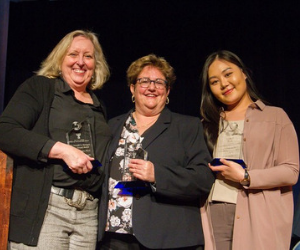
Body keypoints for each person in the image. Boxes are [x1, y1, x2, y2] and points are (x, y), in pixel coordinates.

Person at [0, 30, 112, 249]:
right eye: (73, 54)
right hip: (47, 209)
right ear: (60, 58)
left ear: (96, 64)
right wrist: (60, 150)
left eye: (88, 56)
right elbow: (6, 130)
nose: (80, 62)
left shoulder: (99, 105)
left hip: (88, 214)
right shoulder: (40, 87)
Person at [97, 54, 215, 249]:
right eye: (144, 81)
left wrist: (157, 175)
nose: (151, 87)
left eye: (159, 82)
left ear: (167, 91)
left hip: (167, 238)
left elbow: (204, 179)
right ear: (132, 88)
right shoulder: (112, 126)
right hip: (114, 237)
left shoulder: (186, 127)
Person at [199, 50, 299, 250]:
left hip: (259, 213)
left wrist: (246, 176)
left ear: (244, 73)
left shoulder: (275, 117)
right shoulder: (207, 124)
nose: (224, 84)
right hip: (216, 209)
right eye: (215, 81)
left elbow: (291, 171)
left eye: (228, 74)